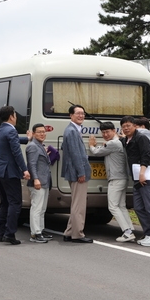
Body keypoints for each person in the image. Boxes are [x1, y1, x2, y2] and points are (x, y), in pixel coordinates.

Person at [88, 122, 135, 242]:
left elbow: (97, 152)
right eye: (103, 132)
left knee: (113, 206)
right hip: (122, 177)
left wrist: (92, 145)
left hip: (116, 178)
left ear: (114, 131)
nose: (105, 134)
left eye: (107, 132)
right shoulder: (118, 141)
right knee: (121, 206)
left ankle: (127, 231)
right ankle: (130, 229)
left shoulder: (113, 143)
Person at [120, 116, 150, 247]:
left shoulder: (141, 138)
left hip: (146, 176)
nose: (126, 128)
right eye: (124, 126)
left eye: (128, 126)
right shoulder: (126, 140)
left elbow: (146, 156)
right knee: (138, 207)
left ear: (134, 126)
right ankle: (148, 233)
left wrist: (143, 173)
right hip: (137, 177)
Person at [0, 106, 31, 245]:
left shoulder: (0, 130)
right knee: (15, 203)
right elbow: (16, 152)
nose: (16, 117)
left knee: (5, 203)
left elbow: (12, 141)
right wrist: (25, 169)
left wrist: (26, 138)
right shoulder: (11, 130)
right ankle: (10, 234)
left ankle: (2, 233)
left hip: (0, 171)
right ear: (11, 116)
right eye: (15, 114)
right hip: (10, 172)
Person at [61, 104, 93, 243]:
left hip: (75, 171)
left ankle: (69, 232)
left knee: (76, 203)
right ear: (71, 115)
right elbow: (75, 154)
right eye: (78, 113)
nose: (81, 116)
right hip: (77, 172)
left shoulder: (72, 130)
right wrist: (81, 172)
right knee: (79, 205)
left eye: (83, 113)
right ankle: (78, 234)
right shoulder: (72, 131)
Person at [26, 123, 56, 243]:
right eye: (39, 132)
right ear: (33, 134)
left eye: (44, 132)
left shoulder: (39, 146)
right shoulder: (33, 146)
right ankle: (35, 233)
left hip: (45, 181)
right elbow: (31, 165)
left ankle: (40, 230)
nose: (42, 134)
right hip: (38, 182)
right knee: (36, 208)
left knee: (42, 208)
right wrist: (35, 179)